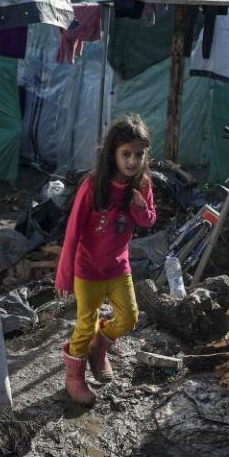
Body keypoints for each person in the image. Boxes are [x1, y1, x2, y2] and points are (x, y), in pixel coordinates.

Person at [55, 114, 156, 405]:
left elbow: (149, 220)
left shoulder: (143, 184)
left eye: (139, 154)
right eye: (126, 154)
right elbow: (73, 231)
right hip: (88, 270)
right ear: (113, 153)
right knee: (85, 325)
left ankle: (99, 348)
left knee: (128, 318)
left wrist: (139, 207)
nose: (133, 161)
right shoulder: (93, 185)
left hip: (118, 266)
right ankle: (75, 377)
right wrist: (64, 274)